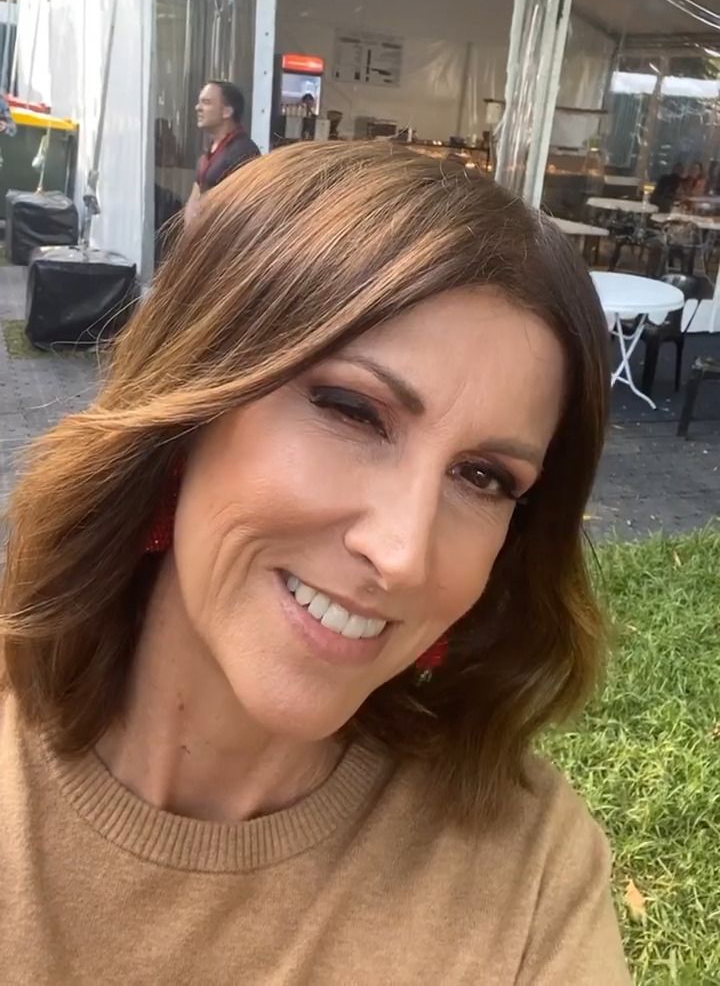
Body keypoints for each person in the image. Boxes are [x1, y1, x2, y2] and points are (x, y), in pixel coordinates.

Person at [0, 143, 629, 984]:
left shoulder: (530, 878)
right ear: (188, 409)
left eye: (484, 478)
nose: (402, 554)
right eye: (352, 411)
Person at [184, 79, 259, 227]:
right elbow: (195, 195)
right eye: (199, 102)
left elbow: (245, 208)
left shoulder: (244, 152)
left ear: (226, 112)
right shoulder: (209, 152)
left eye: (206, 102)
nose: (198, 108)